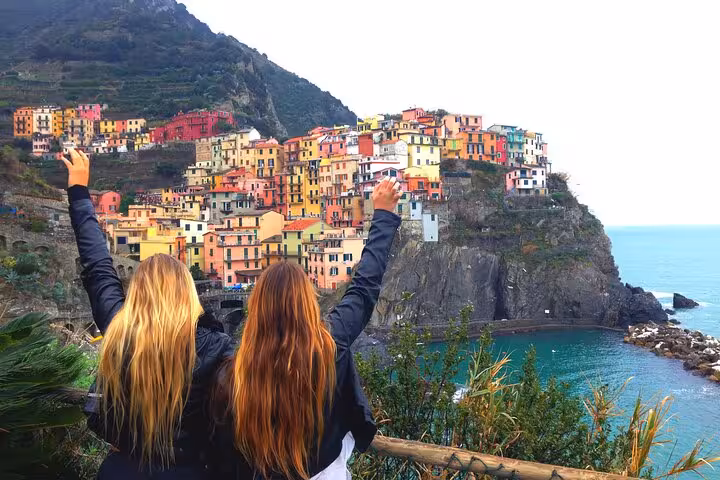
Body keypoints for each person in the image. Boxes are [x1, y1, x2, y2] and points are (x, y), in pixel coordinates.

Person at [210, 177, 402, 479]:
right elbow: (364, 288)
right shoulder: (329, 346)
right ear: (307, 302)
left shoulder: (234, 374)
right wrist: (384, 216)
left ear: (257, 309)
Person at [62, 149, 234, 479]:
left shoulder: (118, 327)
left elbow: (98, 265)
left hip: (122, 470)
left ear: (138, 291)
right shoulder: (215, 346)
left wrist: (79, 192)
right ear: (188, 292)